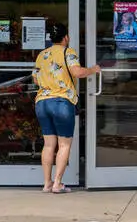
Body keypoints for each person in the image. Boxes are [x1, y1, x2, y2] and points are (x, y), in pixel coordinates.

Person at [32, 21, 98, 193]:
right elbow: (77, 72)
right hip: (62, 102)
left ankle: (46, 182)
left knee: (48, 145)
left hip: (42, 102)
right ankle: (57, 184)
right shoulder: (68, 52)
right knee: (64, 145)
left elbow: (35, 79)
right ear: (66, 37)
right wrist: (92, 70)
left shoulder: (42, 55)